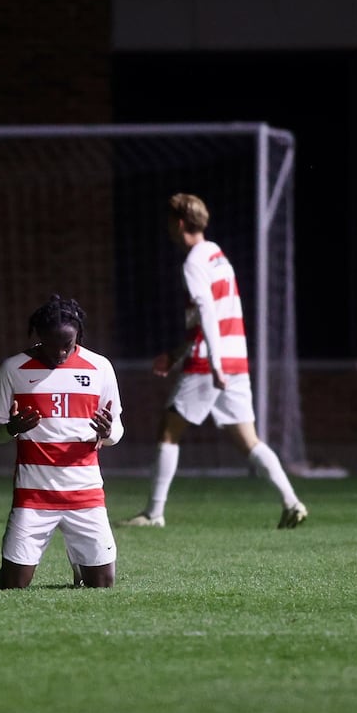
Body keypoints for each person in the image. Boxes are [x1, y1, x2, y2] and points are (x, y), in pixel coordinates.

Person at [122, 193, 308, 529]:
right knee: (249, 441)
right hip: (235, 359)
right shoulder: (218, 255)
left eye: (169, 222)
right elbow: (208, 317)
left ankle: (153, 513)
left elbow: (207, 310)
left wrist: (215, 364)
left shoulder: (193, 261)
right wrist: (178, 354)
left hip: (212, 363)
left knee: (168, 431)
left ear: (179, 223)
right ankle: (291, 501)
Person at [0, 295, 122, 589]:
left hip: (85, 494)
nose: (59, 352)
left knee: (102, 584)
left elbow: (117, 433)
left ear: (79, 337)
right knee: (13, 585)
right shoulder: (14, 368)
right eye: (51, 344)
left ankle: (79, 557)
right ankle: (72, 555)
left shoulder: (100, 368)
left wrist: (108, 431)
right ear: (38, 336)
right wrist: (11, 428)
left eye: (67, 345)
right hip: (34, 497)